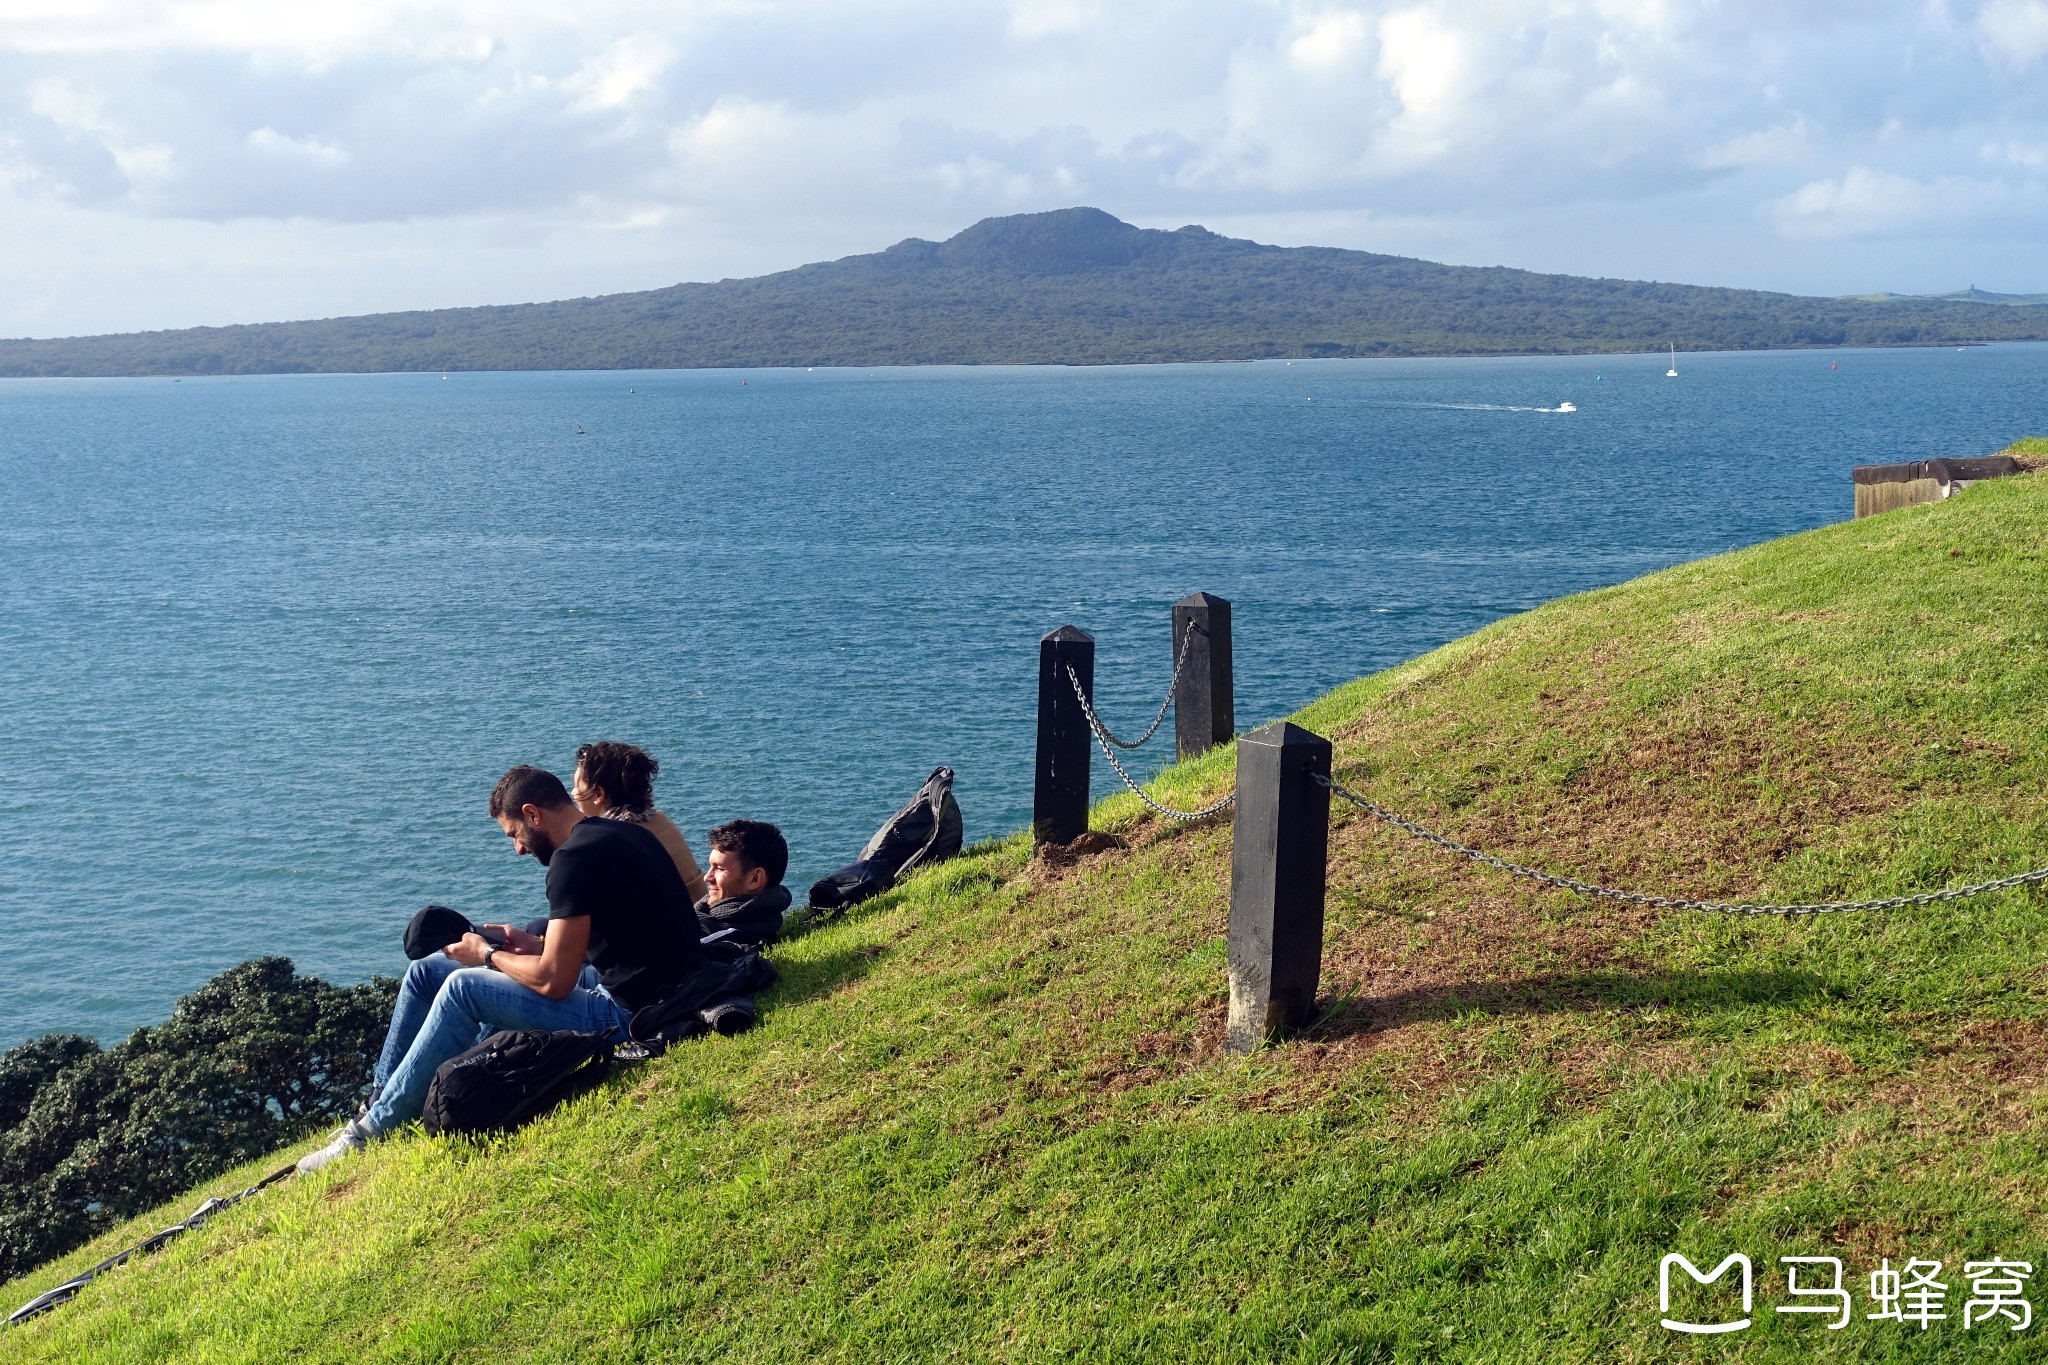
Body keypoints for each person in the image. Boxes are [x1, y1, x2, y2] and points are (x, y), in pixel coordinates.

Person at [298, 765, 704, 1173]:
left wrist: (488, 957)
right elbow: (626, 934)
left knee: (463, 986)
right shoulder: (622, 832)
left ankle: (368, 1135)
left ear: (533, 813)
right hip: (672, 983)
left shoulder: (572, 860)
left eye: (514, 834)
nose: (519, 849)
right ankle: (383, 1099)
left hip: (634, 1013)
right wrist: (535, 945)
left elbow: (554, 981)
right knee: (427, 971)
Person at [570, 740, 709, 906]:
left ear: (599, 795)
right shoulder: (661, 820)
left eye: (577, 786)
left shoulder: (609, 842)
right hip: (700, 920)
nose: (573, 793)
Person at [695, 819, 791, 950]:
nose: (707, 877)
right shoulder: (762, 920)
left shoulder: (719, 936)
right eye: (711, 866)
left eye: (720, 869)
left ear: (755, 879)